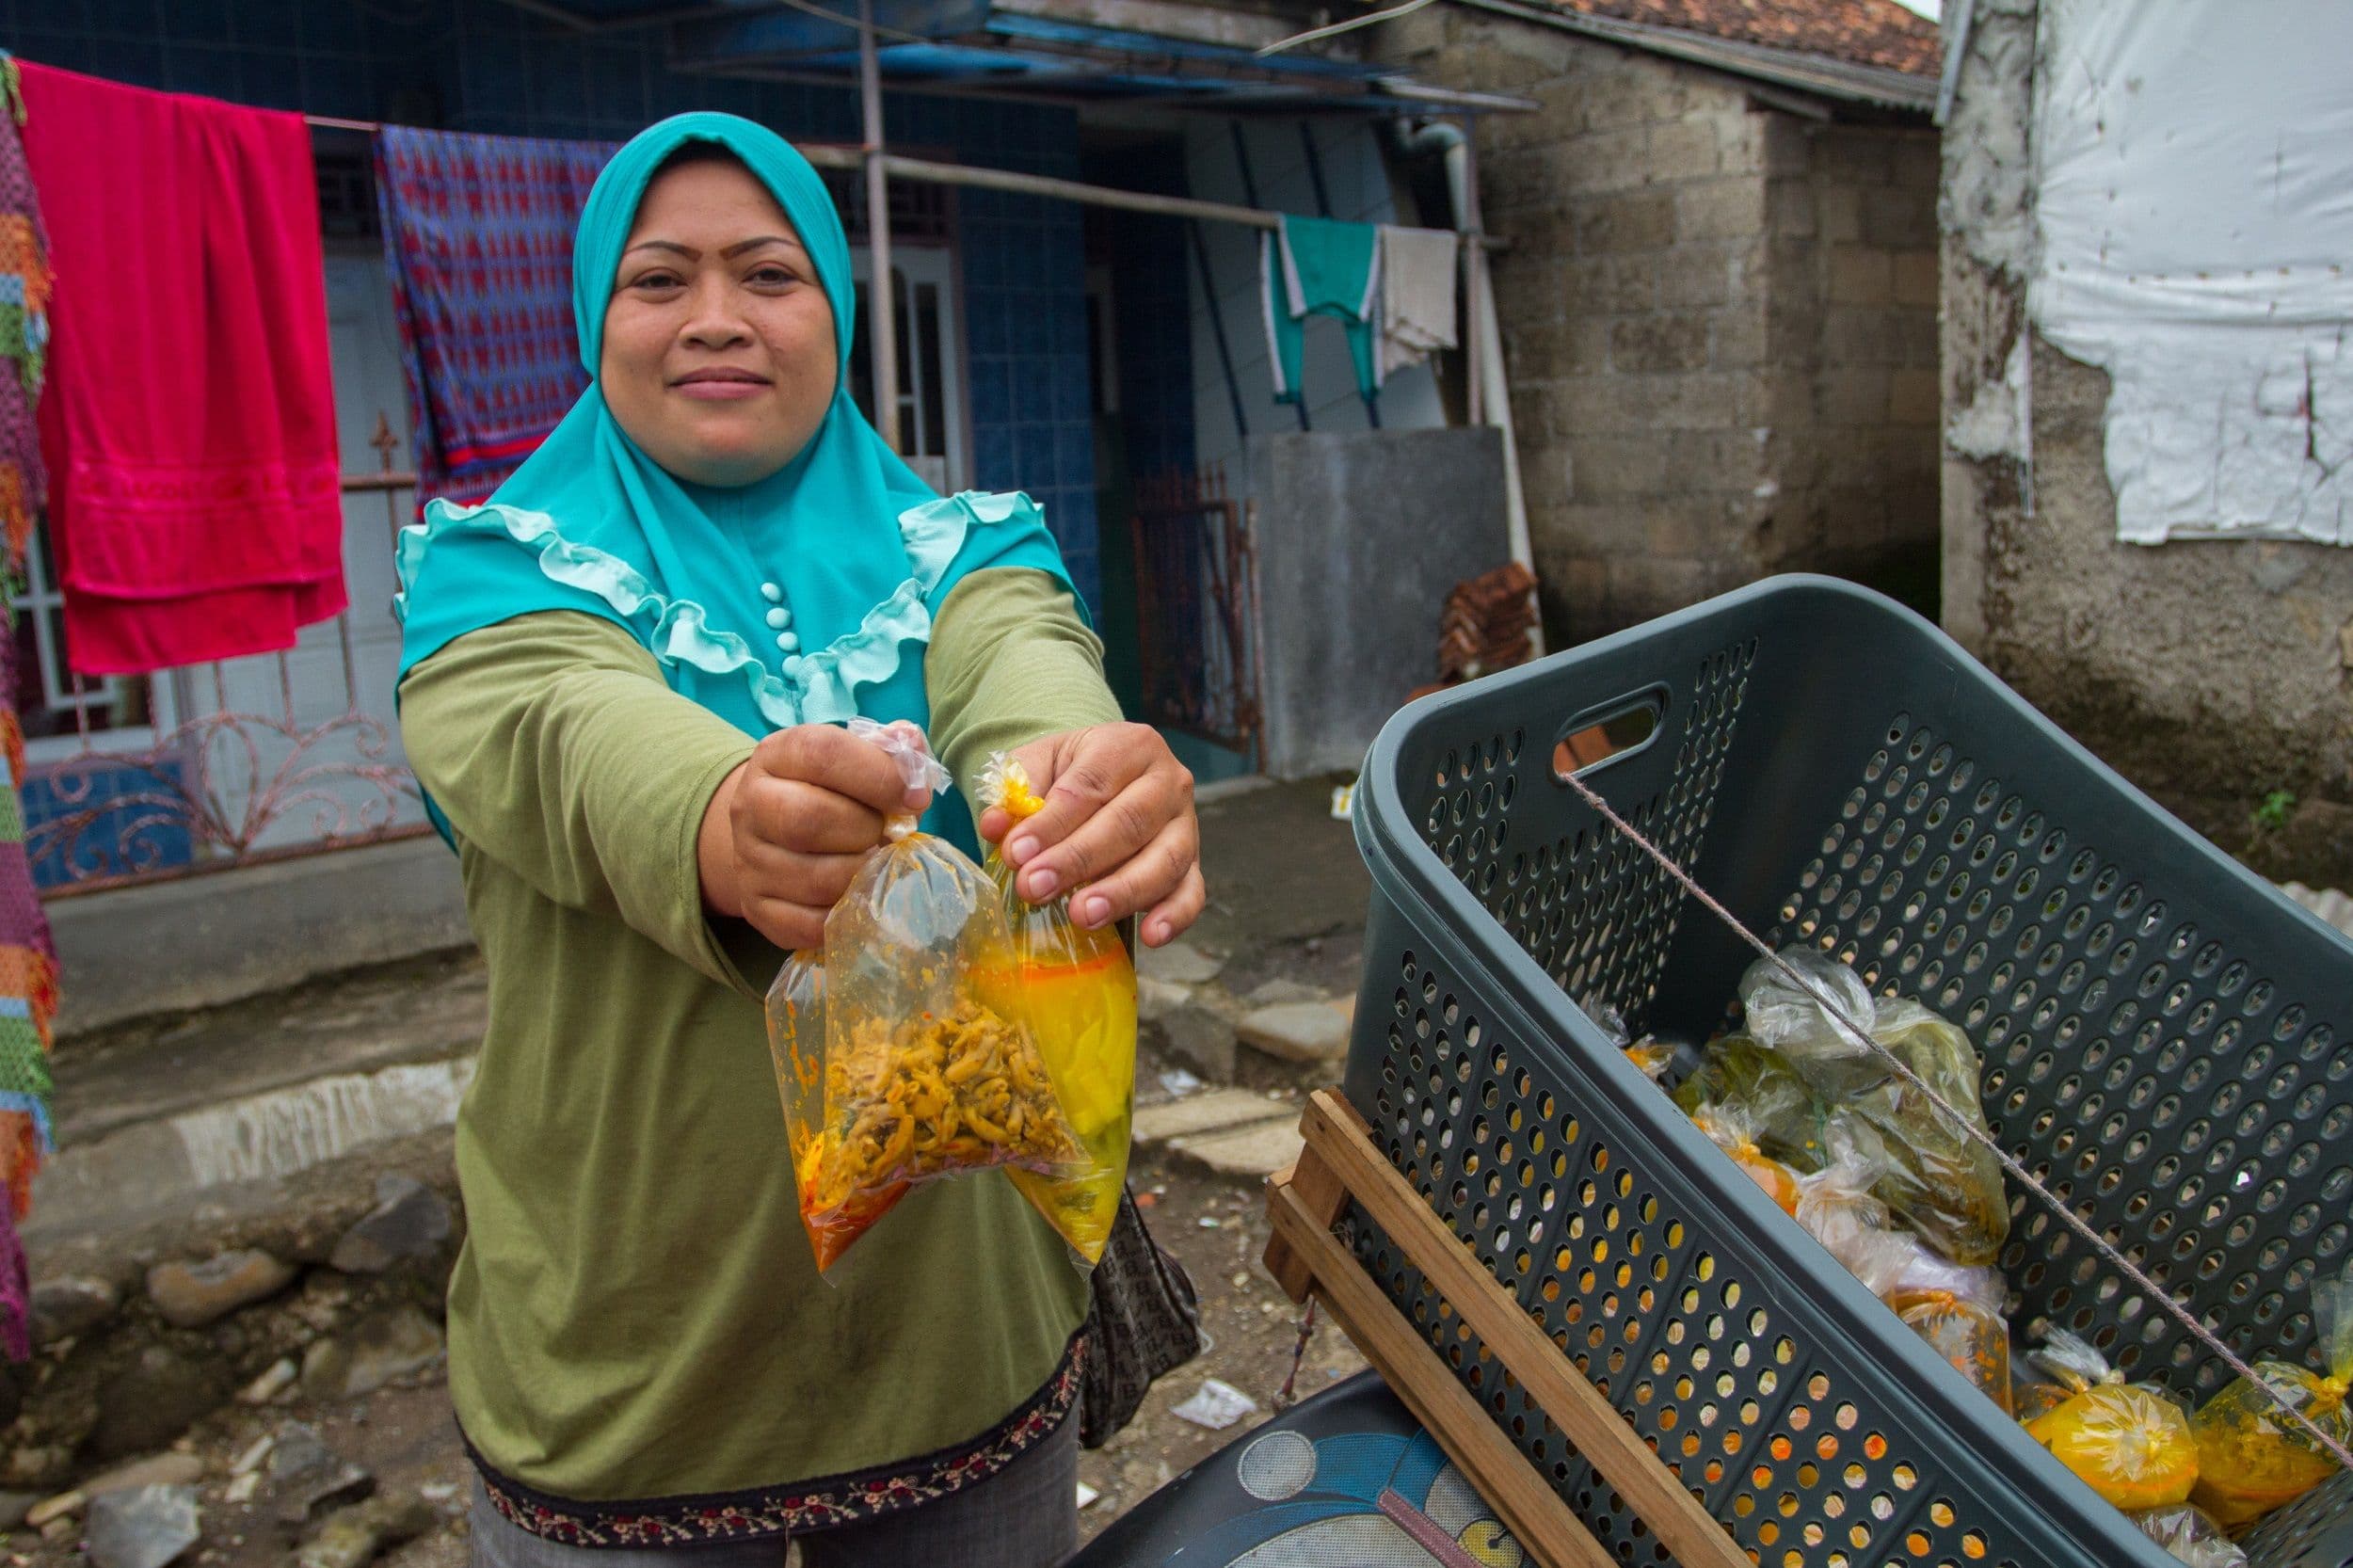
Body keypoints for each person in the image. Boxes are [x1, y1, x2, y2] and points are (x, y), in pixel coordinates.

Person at [394, 112, 1202, 1568]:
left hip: (959, 1362)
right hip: (633, 1389)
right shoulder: (488, 580)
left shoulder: (966, 551)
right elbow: (568, 731)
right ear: (593, 319)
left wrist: (1076, 779)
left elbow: (1022, 667)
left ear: (837, 311)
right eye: (659, 279)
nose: (717, 317)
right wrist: (719, 815)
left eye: (770, 274)